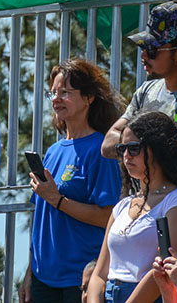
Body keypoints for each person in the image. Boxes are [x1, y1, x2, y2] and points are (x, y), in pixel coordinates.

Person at [19, 59, 122, 303]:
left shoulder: (100, 149)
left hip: (81, 279)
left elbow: (108, 216)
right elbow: (41, 220)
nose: (56, 99)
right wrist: (30, 272)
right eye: (53, 93)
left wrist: (58, 200)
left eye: (65, 92)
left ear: (89, 98)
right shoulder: (53, 151)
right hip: (43, 278)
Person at [86, 111, 177, 303]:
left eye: (134, 148)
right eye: (122, 149)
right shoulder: (122, 206)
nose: (126, 156)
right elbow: (99, 274)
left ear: (158, 148)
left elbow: (162, 273)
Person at [102, 2, 177, 159]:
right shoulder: (145, 91)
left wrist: (130, 143)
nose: (143, 55)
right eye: (143, 47)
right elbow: (108, 144)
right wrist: (151, 147)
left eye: (152, 50)